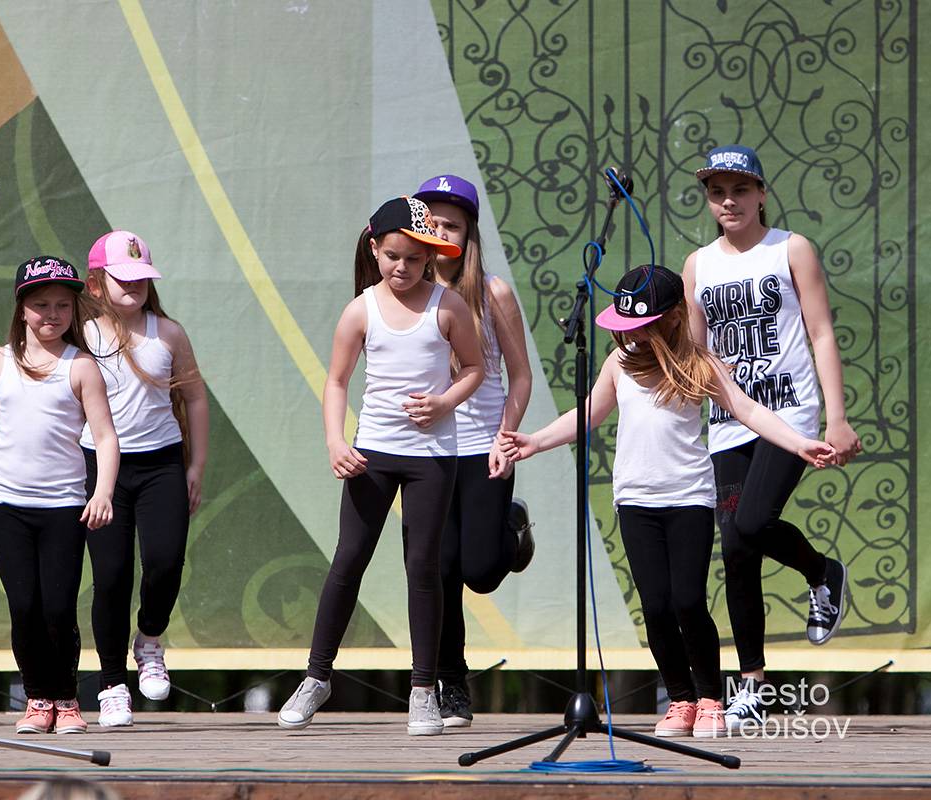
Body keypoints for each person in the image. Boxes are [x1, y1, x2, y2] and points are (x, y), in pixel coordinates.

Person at [499, 264, 835, 738]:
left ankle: (710, 699)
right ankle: (681, 699)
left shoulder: (700, 364)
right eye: (626, 326)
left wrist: (799, 443)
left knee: (688, 601)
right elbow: (589, 413)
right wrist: (535, 441)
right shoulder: (618, 365)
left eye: (642, 325)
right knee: (656, 606)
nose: (631, 335)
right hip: (635, 501)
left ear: (674, 318)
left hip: (688, 500)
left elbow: (748, 410)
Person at [277, 197, 484, 736]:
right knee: (349, 559)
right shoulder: (361, 309)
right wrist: (334, 441)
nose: (402, 267)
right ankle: (316, 677)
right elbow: (337, 381)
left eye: (414, 259)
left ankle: (423, 690)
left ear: (430, 257)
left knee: (424, 567)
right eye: (393, 256)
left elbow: (475, 367)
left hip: (432, 457)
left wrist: (444, 402)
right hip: (372, 451)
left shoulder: (447, 306)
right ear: (374, 250)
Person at [682, 145, 862, 728]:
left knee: (753, 522)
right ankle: (753, 687)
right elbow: (696, 351)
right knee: (736, 547)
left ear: (761, 193)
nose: (728, 201)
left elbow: (822, 333)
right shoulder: (697, 265)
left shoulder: (791, 248)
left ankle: (821, 572)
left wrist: (836, 417)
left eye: (740, 190)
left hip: (790, 413)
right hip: (729, 421)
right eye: (717, 192)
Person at [0, 256, 119, 735]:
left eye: (62, 305)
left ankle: (67, 700)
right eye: (41, 305)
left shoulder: (81, 366)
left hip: (64, 505)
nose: (52, 314)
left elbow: (106, 437)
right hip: (8, 503)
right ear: (21, 308)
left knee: (57, 607)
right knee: (24, 606)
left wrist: (103, 492)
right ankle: (37, 698)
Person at [412, 174, 533, 728]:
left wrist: (506, 437)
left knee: (480, 571)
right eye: (431, 223)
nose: (440, 234)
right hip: (425, 455)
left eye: (452, 226)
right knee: (439, 571)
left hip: (484, 447)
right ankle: (451, 681)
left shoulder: (493, 292)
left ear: (470, 233)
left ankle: (512, 527)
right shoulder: (402, 291)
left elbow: (521, 376)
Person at [80, 231, 208, 727]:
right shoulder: (80, 336)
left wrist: (195, 466)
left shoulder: (168, 333)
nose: (133, 286)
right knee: (111, 576)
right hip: (100, 468)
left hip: (161, 465)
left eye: (141, 278)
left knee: (165, 561)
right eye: (122, 278)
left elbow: (195, 397)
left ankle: (150, 638)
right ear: (96, 284)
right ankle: (112, 683)